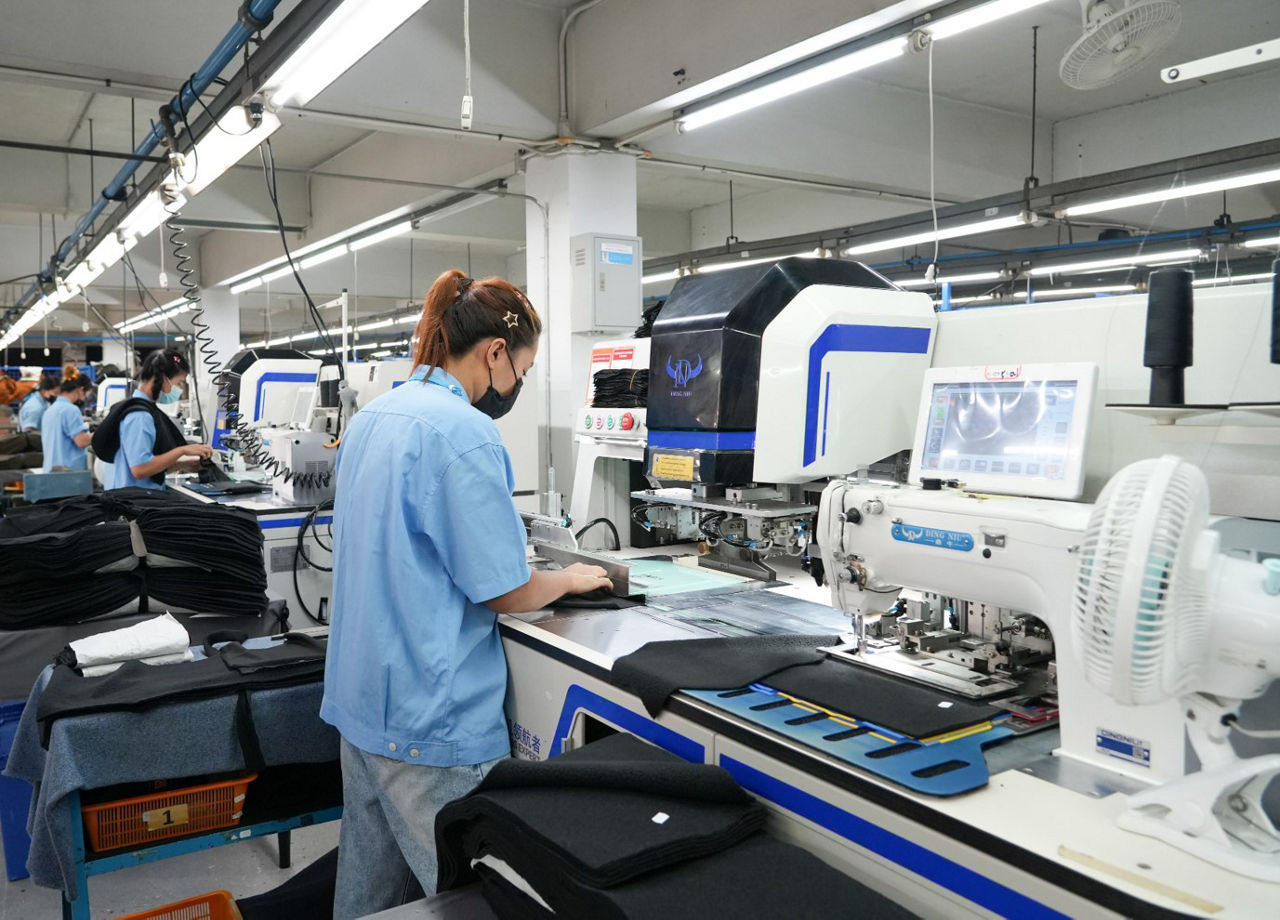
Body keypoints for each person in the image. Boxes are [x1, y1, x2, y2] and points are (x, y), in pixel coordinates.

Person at [322, 270, 612, 917]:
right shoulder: (465, 432)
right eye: (522, 371)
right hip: (431, 725)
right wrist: (570, 579)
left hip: (361, 706)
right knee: (471, 899)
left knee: (372, 903)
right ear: (495, 352)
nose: (516, 387)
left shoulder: (373, 418)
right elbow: (507, 589)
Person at [92, 349, 212, 490]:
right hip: (135, 499)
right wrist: (182, 451)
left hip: (133, 494)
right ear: (163, 379)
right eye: (179, 383)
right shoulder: (140, 416)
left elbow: (146, 464)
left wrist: (182, 465)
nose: (178, 390)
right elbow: (140, 469)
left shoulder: (136, 408)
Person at [40, 374, 93, 471]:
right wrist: (101, 433)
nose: (85, 399)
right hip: (67, 472)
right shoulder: (71, 410)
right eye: (86, 395)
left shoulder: (49, 410)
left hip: (50, 469)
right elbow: (81, 441)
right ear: (81, 390)